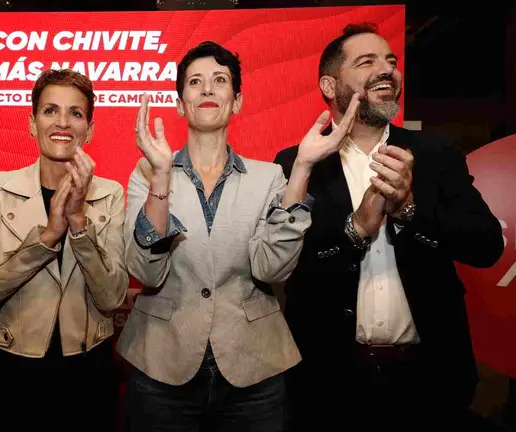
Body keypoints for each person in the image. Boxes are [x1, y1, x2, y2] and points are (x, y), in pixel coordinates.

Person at [117, 40, 360, 431]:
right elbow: (148, 272)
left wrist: (302, 169)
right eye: (195, 82)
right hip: (162, 363)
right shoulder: (146, 173)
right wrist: (161, 177)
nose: (208, 89)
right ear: (180, 103)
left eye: (220, 80)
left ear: (238, 100)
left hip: (255, 367)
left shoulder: (270, 177)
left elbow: (272, 269)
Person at [273, 23, 505, 431]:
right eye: (367, 62)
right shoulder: (297, 163)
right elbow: (285, 268)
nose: (387, 70)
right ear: (330, 86)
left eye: (391, 62)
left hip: (428, 380)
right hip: (330, 383)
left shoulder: (435, 153)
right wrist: (355, 230)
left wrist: (410, 211)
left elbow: (487, 246)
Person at [0, 69, 128, 431]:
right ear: (32, 123)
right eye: (50, 111)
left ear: (90, 129)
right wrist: (48, 236)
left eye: (75, 113)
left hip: (86, 375)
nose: (62, 122)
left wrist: (79, 223)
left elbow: (112, 296)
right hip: (8, 374)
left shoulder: (110, 193)